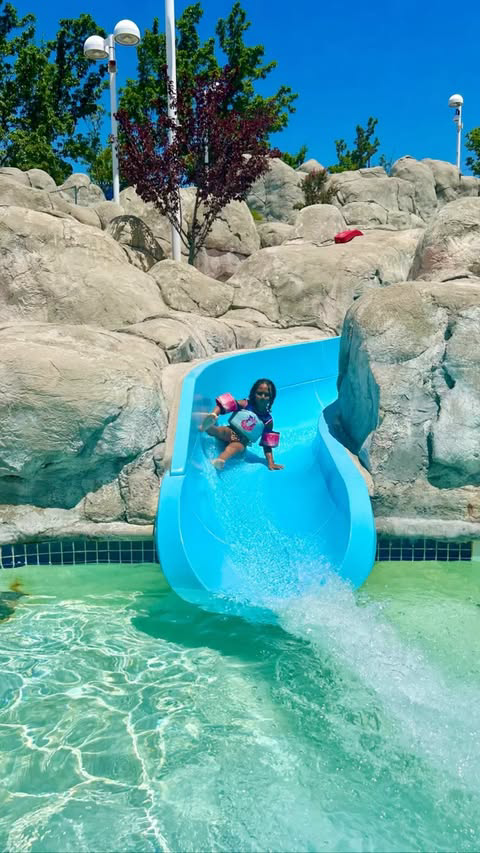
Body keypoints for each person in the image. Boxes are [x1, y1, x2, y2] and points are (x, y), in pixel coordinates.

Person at [200, 378, 284, 471]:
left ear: (271, 398)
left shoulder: (267, 421)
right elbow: (223, 405)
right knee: (221, 431)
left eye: (267, 395)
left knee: (235, 447)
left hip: (242, 442)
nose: (263, 397)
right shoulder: (245, 404)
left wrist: (270, 462)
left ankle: (220, 460)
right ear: (254, 394)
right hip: (231, 431)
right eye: (259, 393)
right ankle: (207, 426)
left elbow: (267, 445)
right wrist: (214, 414)